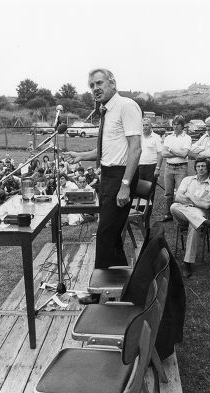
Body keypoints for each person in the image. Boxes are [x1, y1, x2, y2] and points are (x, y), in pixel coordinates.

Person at [66, 68, 142, 268]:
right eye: (92, 86)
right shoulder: (105, 110)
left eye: (99, 83)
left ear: (113, 83)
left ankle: (100, 287)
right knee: (112, 235)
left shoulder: (126, 106)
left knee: (104, 235)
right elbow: (108, 149)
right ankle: (118, 282)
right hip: (108, 176)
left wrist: (125, 185)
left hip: (121, 176)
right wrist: (82, 156)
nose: (95, 89)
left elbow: (135, 149)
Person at [170, 158, 210, 278]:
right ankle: (209, 223)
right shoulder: (187, 180)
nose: (200, 168)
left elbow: (206, 205)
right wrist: (198, 201)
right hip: (182, 211)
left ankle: (187, 263)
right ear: (195, 168)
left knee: (194, 225)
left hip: (199, 213)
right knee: (173, 206)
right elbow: (178, 197)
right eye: (198, 166)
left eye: (203, 166)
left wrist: (190, 197)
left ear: (208, 168)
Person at [161, 115, 192, 222]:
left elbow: (184, 154)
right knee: (168, 193)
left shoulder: (187, 138)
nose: (175, 126)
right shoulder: (168, 137)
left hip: (181, 168)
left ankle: (180, 215)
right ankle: (168, 214)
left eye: (178, 124)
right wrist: (177, 152)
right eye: (174, 124)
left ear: (182, 126)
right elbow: (164, 154)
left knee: (180, 193)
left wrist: (170, 149)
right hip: (168, 167)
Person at [138, 117, 163, 183]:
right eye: (143, 125)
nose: (144, 127)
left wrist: (157, 168)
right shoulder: (139, 137)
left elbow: (160, 153)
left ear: (151, 126)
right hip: (140, 166)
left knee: (149, 190)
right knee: (140, 190)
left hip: (151, 166)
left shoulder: (156, 137)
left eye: (146, 125)